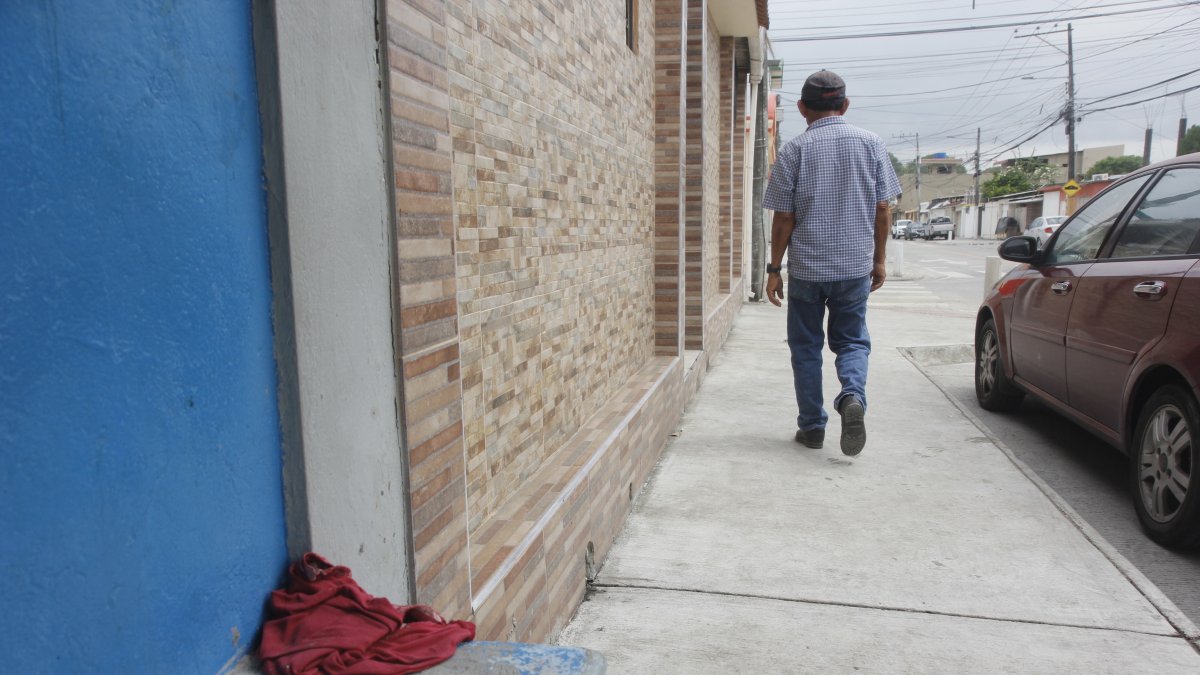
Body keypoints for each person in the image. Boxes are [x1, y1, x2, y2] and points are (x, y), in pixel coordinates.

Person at [761, 70, 902, 457]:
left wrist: (774, 270)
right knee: (852, 340)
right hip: (854, 267)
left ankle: (812, 428)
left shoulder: (794, 150)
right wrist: (879, 260)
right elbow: (883, 208)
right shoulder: (871, 144)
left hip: (807, 268)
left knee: (806, 347)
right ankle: (852, 396)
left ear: (803, 108)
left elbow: (784, 217)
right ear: (845, 105)